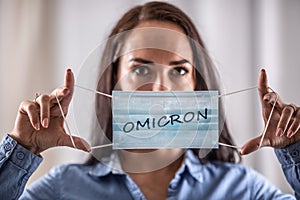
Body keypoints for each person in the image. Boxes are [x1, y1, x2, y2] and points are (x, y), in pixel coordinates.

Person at [0, 1, 299, 199]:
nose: (159, 88)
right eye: (140, 68)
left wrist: (294, 150)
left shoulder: (242, 189)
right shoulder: (64, 188)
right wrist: (21, 150)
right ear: (113, 81)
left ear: (197, 85)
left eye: (179, 69)